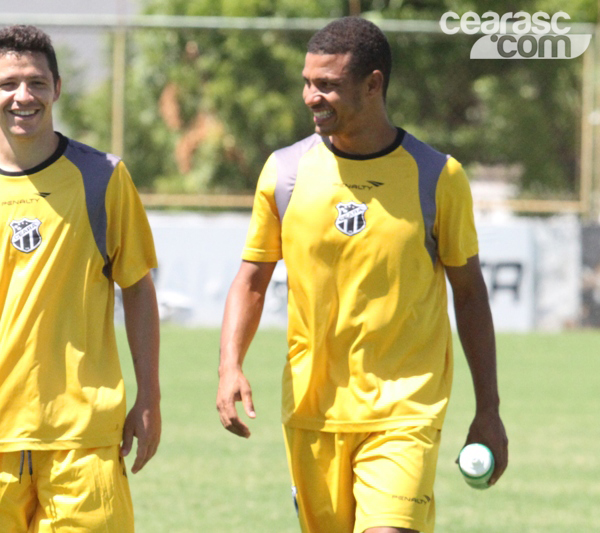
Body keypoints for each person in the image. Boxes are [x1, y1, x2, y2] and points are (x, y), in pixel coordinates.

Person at [216, 16, 508, 533]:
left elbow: (469, 294)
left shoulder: (437, 176)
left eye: (327, 85)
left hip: (406, 408)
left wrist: (489, 408)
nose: (311, 97)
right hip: (313, 408)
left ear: (373, 85)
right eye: (307, 83)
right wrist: (229, 366)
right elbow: (251, 280)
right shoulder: (285, 173)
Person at [0, 25, 160, 532]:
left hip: (83, 434)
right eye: (8, 84)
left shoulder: (104, 178)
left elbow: (137, 288)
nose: (23, 96)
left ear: (56, 88)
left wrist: (148, 398)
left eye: (37, 83)